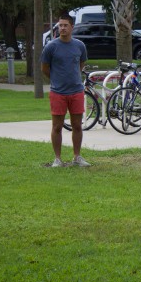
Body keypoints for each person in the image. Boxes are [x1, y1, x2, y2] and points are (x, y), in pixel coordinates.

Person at [40, 14, 90, 167]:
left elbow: (81, 64)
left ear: (72, 27)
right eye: (60, 25)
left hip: (76, 91)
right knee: (57, 126)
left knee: (77, 125)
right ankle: (58, 159)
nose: (62, 28)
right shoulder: (51, 47)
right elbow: (45, 68)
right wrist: (57, 79)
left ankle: (77, 157)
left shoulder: (79, 46)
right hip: (58, 93)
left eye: (65, 25)